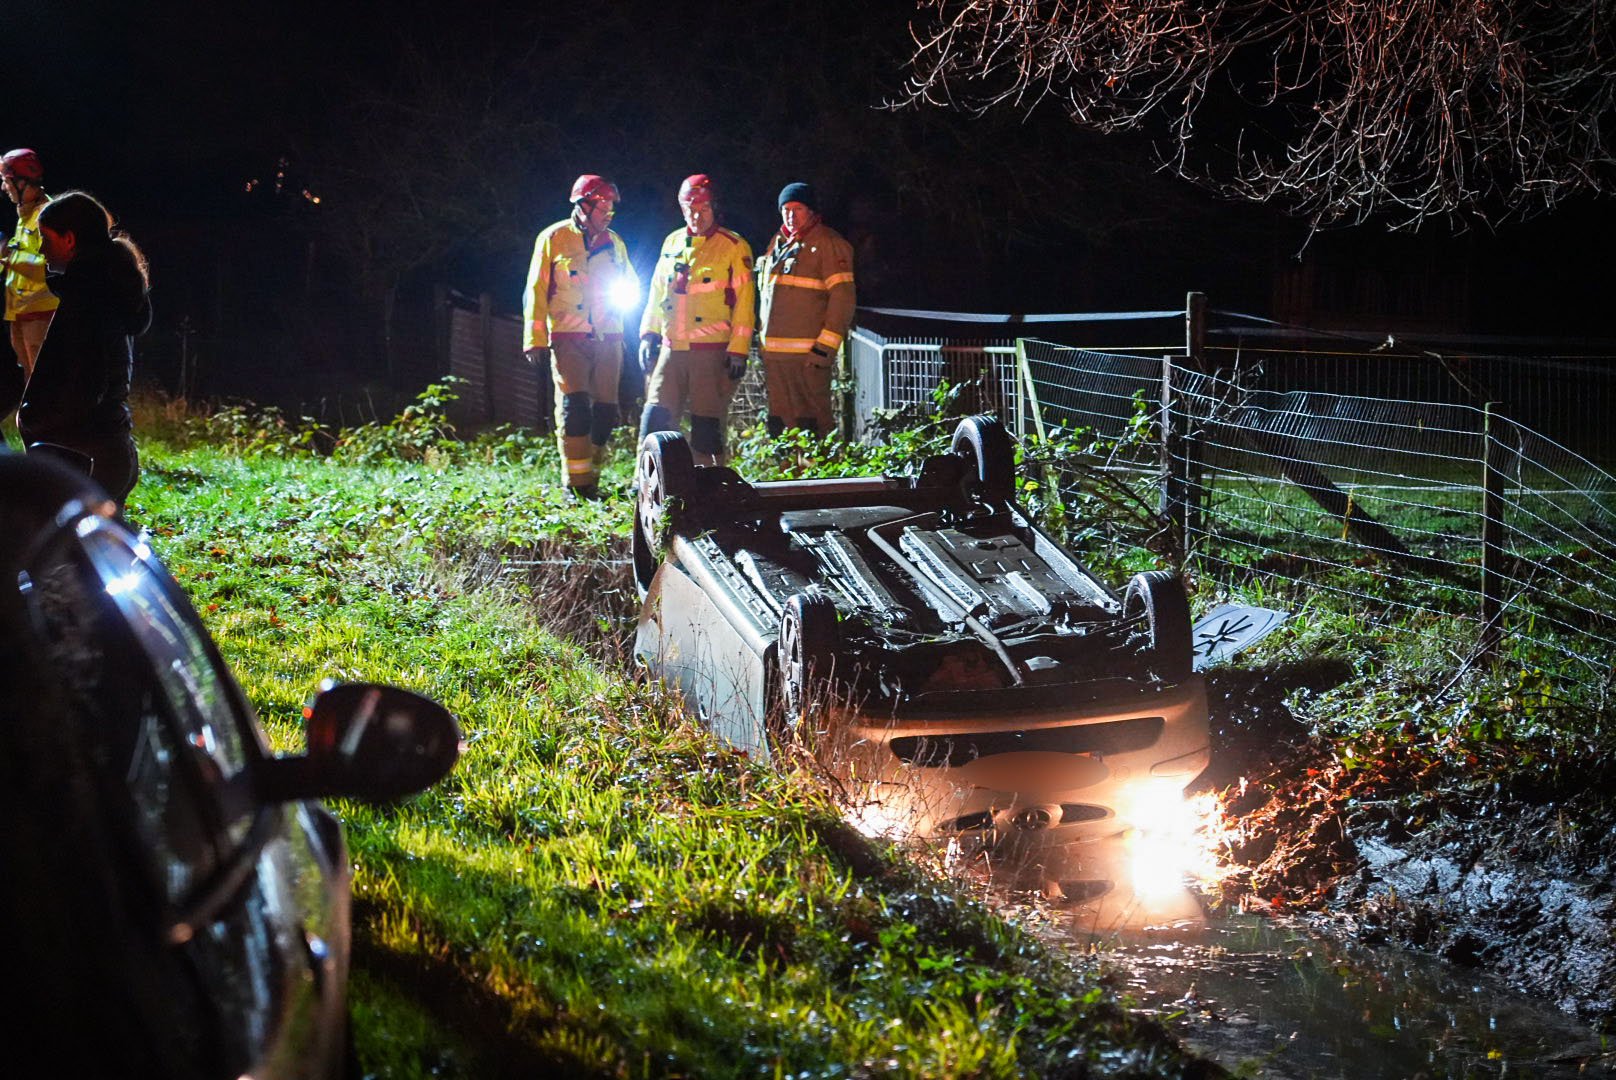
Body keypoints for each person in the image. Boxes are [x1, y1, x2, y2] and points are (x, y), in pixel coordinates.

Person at [17, 191, 151, 506]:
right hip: (108, 452)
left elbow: (85, 385)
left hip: (83, 457)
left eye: (45, 238)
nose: (41, 249)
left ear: (69, 239)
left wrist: (36, 420)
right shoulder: (105, 289)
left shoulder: (88, 300)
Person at [523, 174, 639, 499]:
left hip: (609, 338)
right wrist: (535, 339)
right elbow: (535, 290)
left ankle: (593, 477)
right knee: (575, 410)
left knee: (606, 412)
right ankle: (575, 486)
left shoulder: (615, 243)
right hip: (568, 338)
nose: (609, 214)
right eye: (603, 207)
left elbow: (631, 282)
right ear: (583, 205)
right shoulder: (553, 238)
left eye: (612, 208)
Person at [638, 174, 755, 466]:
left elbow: (745, 303)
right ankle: (647, 482)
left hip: (711, 352)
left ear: (715, 208)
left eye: (703, 209)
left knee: (706, 427)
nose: (696, 216)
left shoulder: (733, 246)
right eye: (690, 209)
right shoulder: (672, 241)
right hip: (671, 350)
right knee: (655, 419)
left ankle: (709, 483)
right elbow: (657, 293)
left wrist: (738, 349)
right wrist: (648, 334)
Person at [757, 182, 856, 438]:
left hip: (808, 359)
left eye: (798, 209)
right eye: (786, 210)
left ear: (811, 211)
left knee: (812, 425)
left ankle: (820, 466)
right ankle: (787, 466)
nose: (791, 215)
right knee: (780, 426)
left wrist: (824, 349)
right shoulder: (777, 243)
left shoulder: (828, 244)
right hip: (775, 359)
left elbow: (843, 299)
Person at [2, 148, 59, 380]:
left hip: (41, 313)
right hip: (21, 312)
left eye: (7, 181)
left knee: (44, 381)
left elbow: (51, 263)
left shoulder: (48, 215)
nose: (4, 188)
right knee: (31, 381)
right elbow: (17, 255)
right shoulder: (26, 214)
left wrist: (7, 256)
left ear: (22, 182)